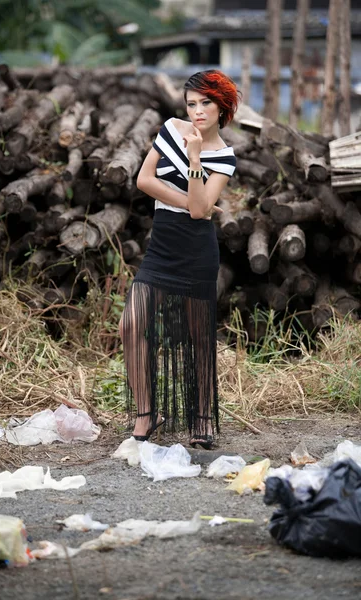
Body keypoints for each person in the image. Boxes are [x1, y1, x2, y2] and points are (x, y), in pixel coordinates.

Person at [119, 70, 239, 449]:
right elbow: (144, 180)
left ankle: (202, 417)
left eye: (206, 103)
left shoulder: (223, 155)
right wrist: (190, 201)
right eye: (192, 103)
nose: (197, 111)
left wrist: (194, 157)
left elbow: (203, 211)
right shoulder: (171, 127)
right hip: (163, 246)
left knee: (199, 336)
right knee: (131, 323)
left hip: (197, 250)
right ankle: (146, 412)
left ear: (223, 107)